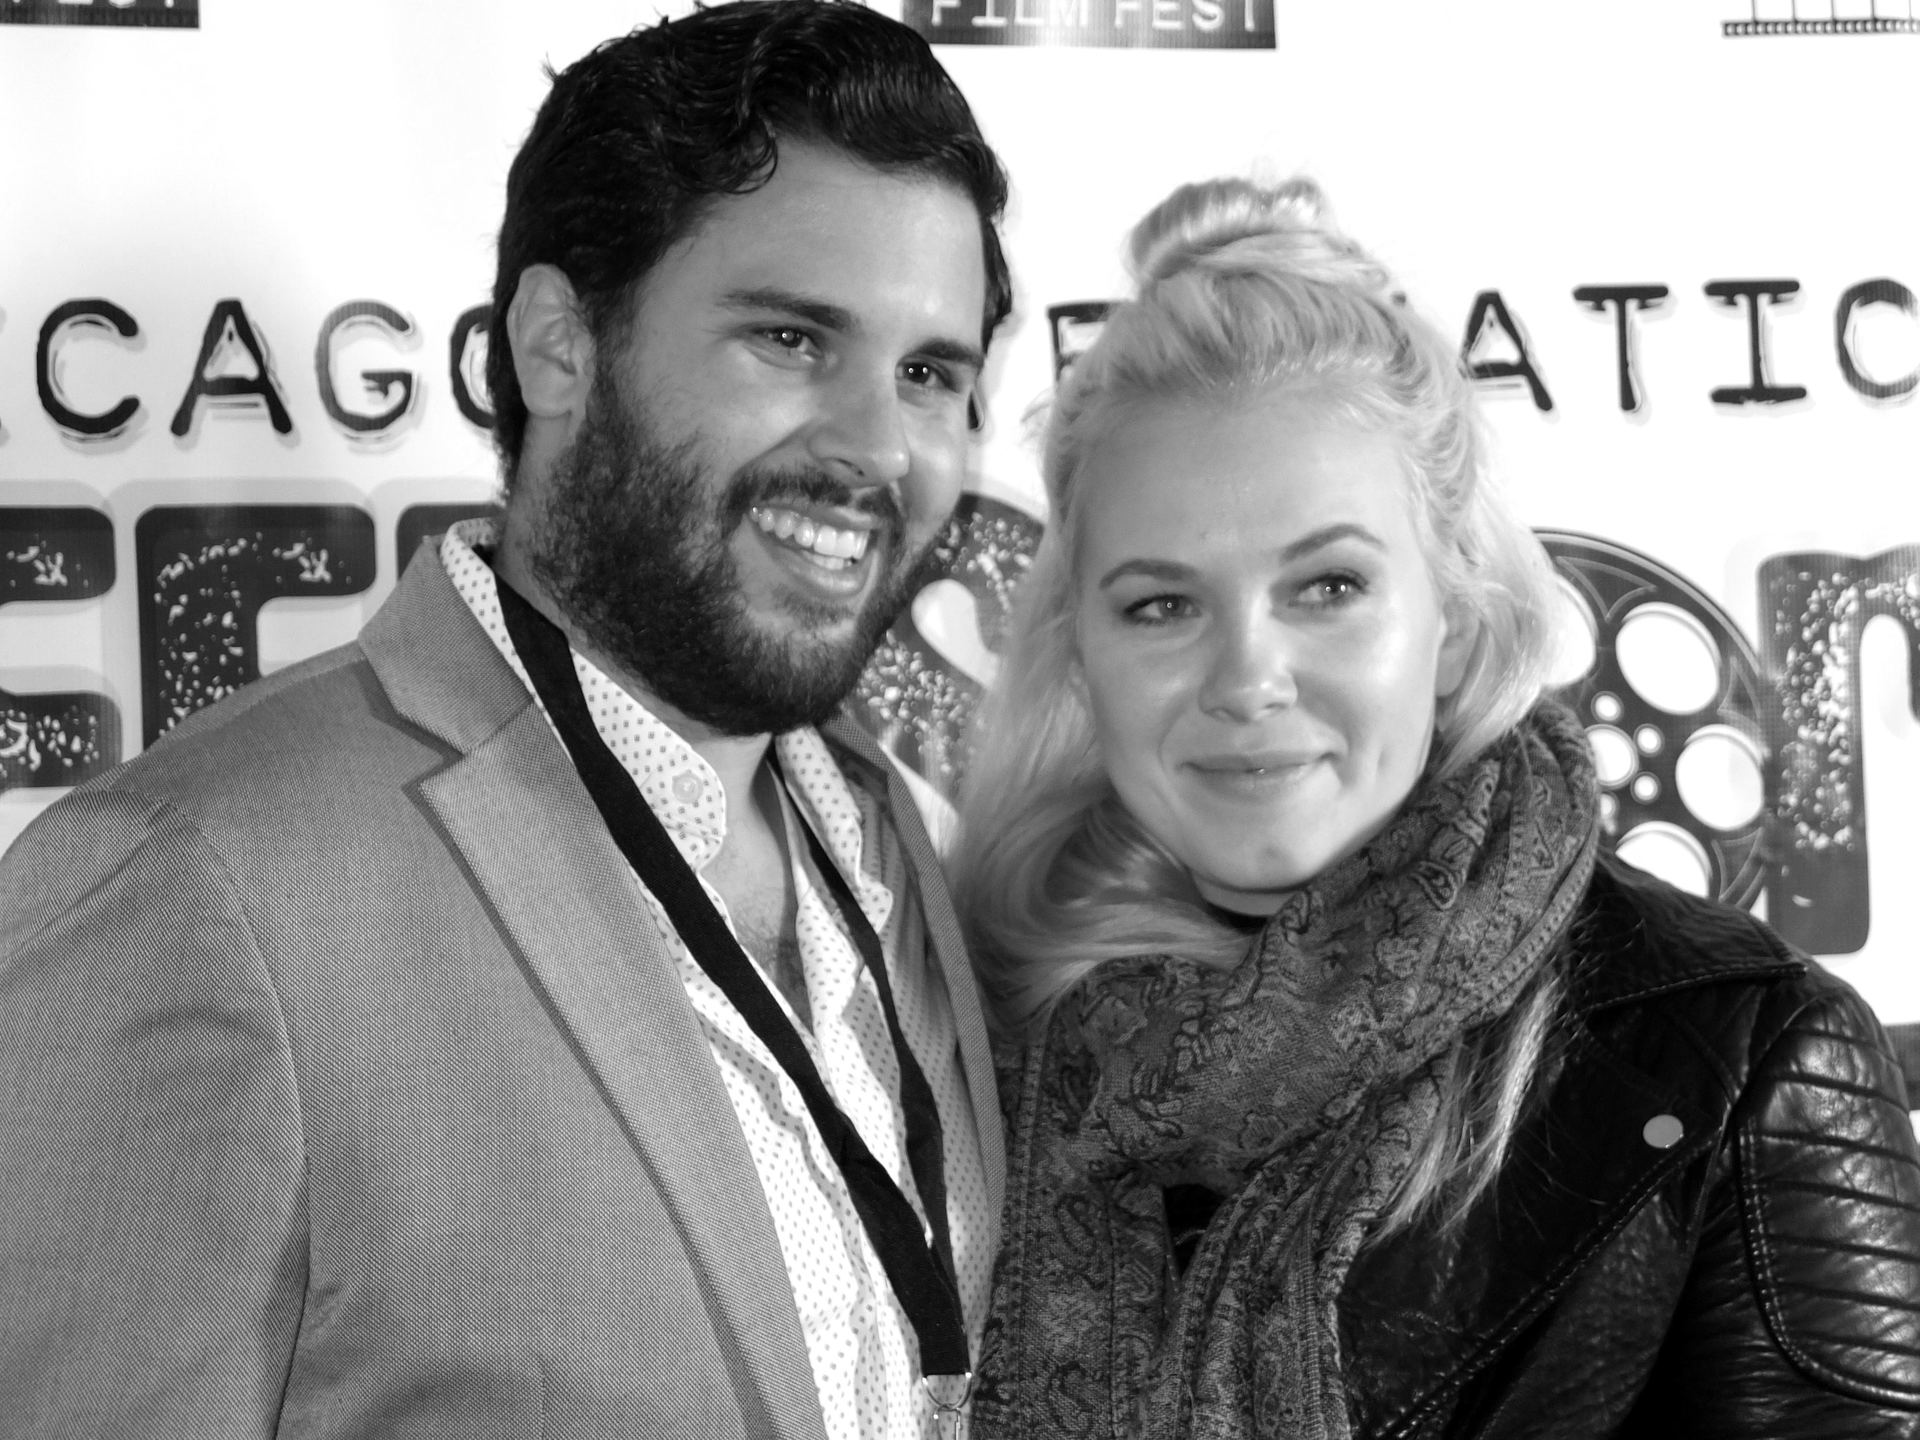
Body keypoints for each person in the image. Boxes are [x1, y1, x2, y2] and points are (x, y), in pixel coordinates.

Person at [0, 4, 1012, 1436]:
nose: (873, 446)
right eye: (792, 338)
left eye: (931, 373)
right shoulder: (194, 881)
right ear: (557, 346)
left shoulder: (889, 844)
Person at [952, 175, 1920, 1439]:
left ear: (1455, 621)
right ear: (1081, 654)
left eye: (1329, 586)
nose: (1248, 679)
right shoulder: (966, 1047)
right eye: (1162, 605)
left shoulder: (1747, 1062)